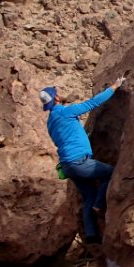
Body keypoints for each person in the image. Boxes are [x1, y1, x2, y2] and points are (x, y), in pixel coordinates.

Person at [40, 77, 125, 244]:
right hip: (78, 162)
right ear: (56, 98)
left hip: (67, 166)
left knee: (88, 196)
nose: (59, 94)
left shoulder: (50, 122)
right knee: (109, 172)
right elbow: (92, 103)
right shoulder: (65, 112)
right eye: (56, 93)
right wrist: (114, 86)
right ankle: (99, 205)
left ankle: (91, 234)